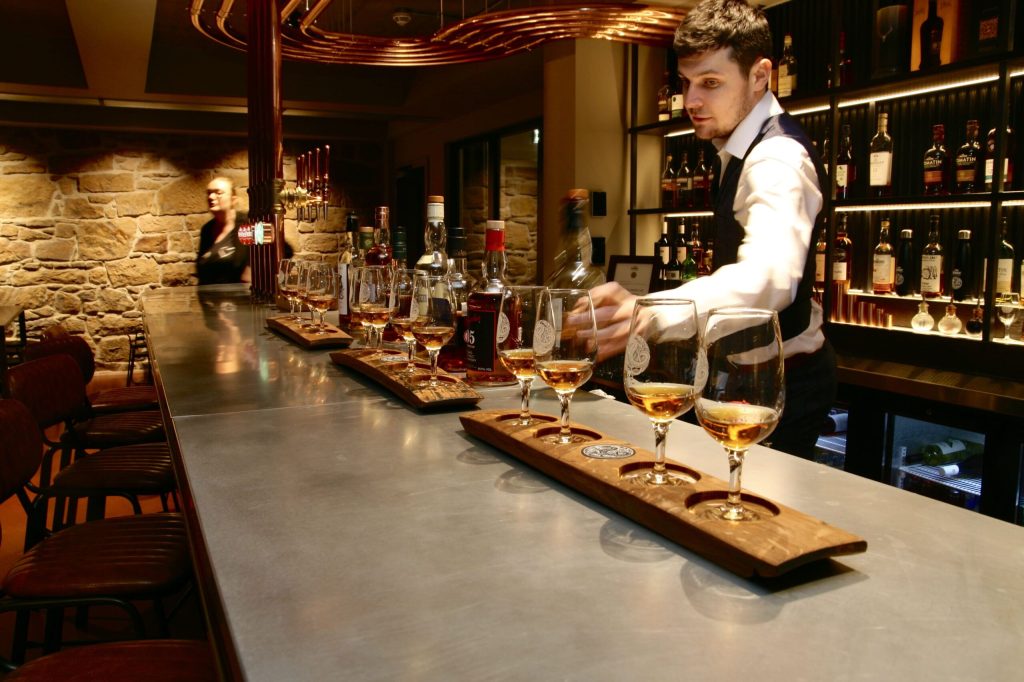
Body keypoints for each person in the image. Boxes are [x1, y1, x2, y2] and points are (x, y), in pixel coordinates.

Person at [588, 0, 835, 460]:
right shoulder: (737, 149)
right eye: (686, 83)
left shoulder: (775, 158)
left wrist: (649, 312)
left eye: (711, 83)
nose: (691, 100)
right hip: (746, 375)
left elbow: (770, 279)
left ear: (760, 75)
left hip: (780, 386)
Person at [196, 176, 251, 285]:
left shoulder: (247, 224)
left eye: (218, 192)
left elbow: (284, 249)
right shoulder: (207, 229)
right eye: (209, 193)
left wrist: (252, 271)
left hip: (241, 299)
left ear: (233, 199)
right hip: (211, 299)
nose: (211, 197)